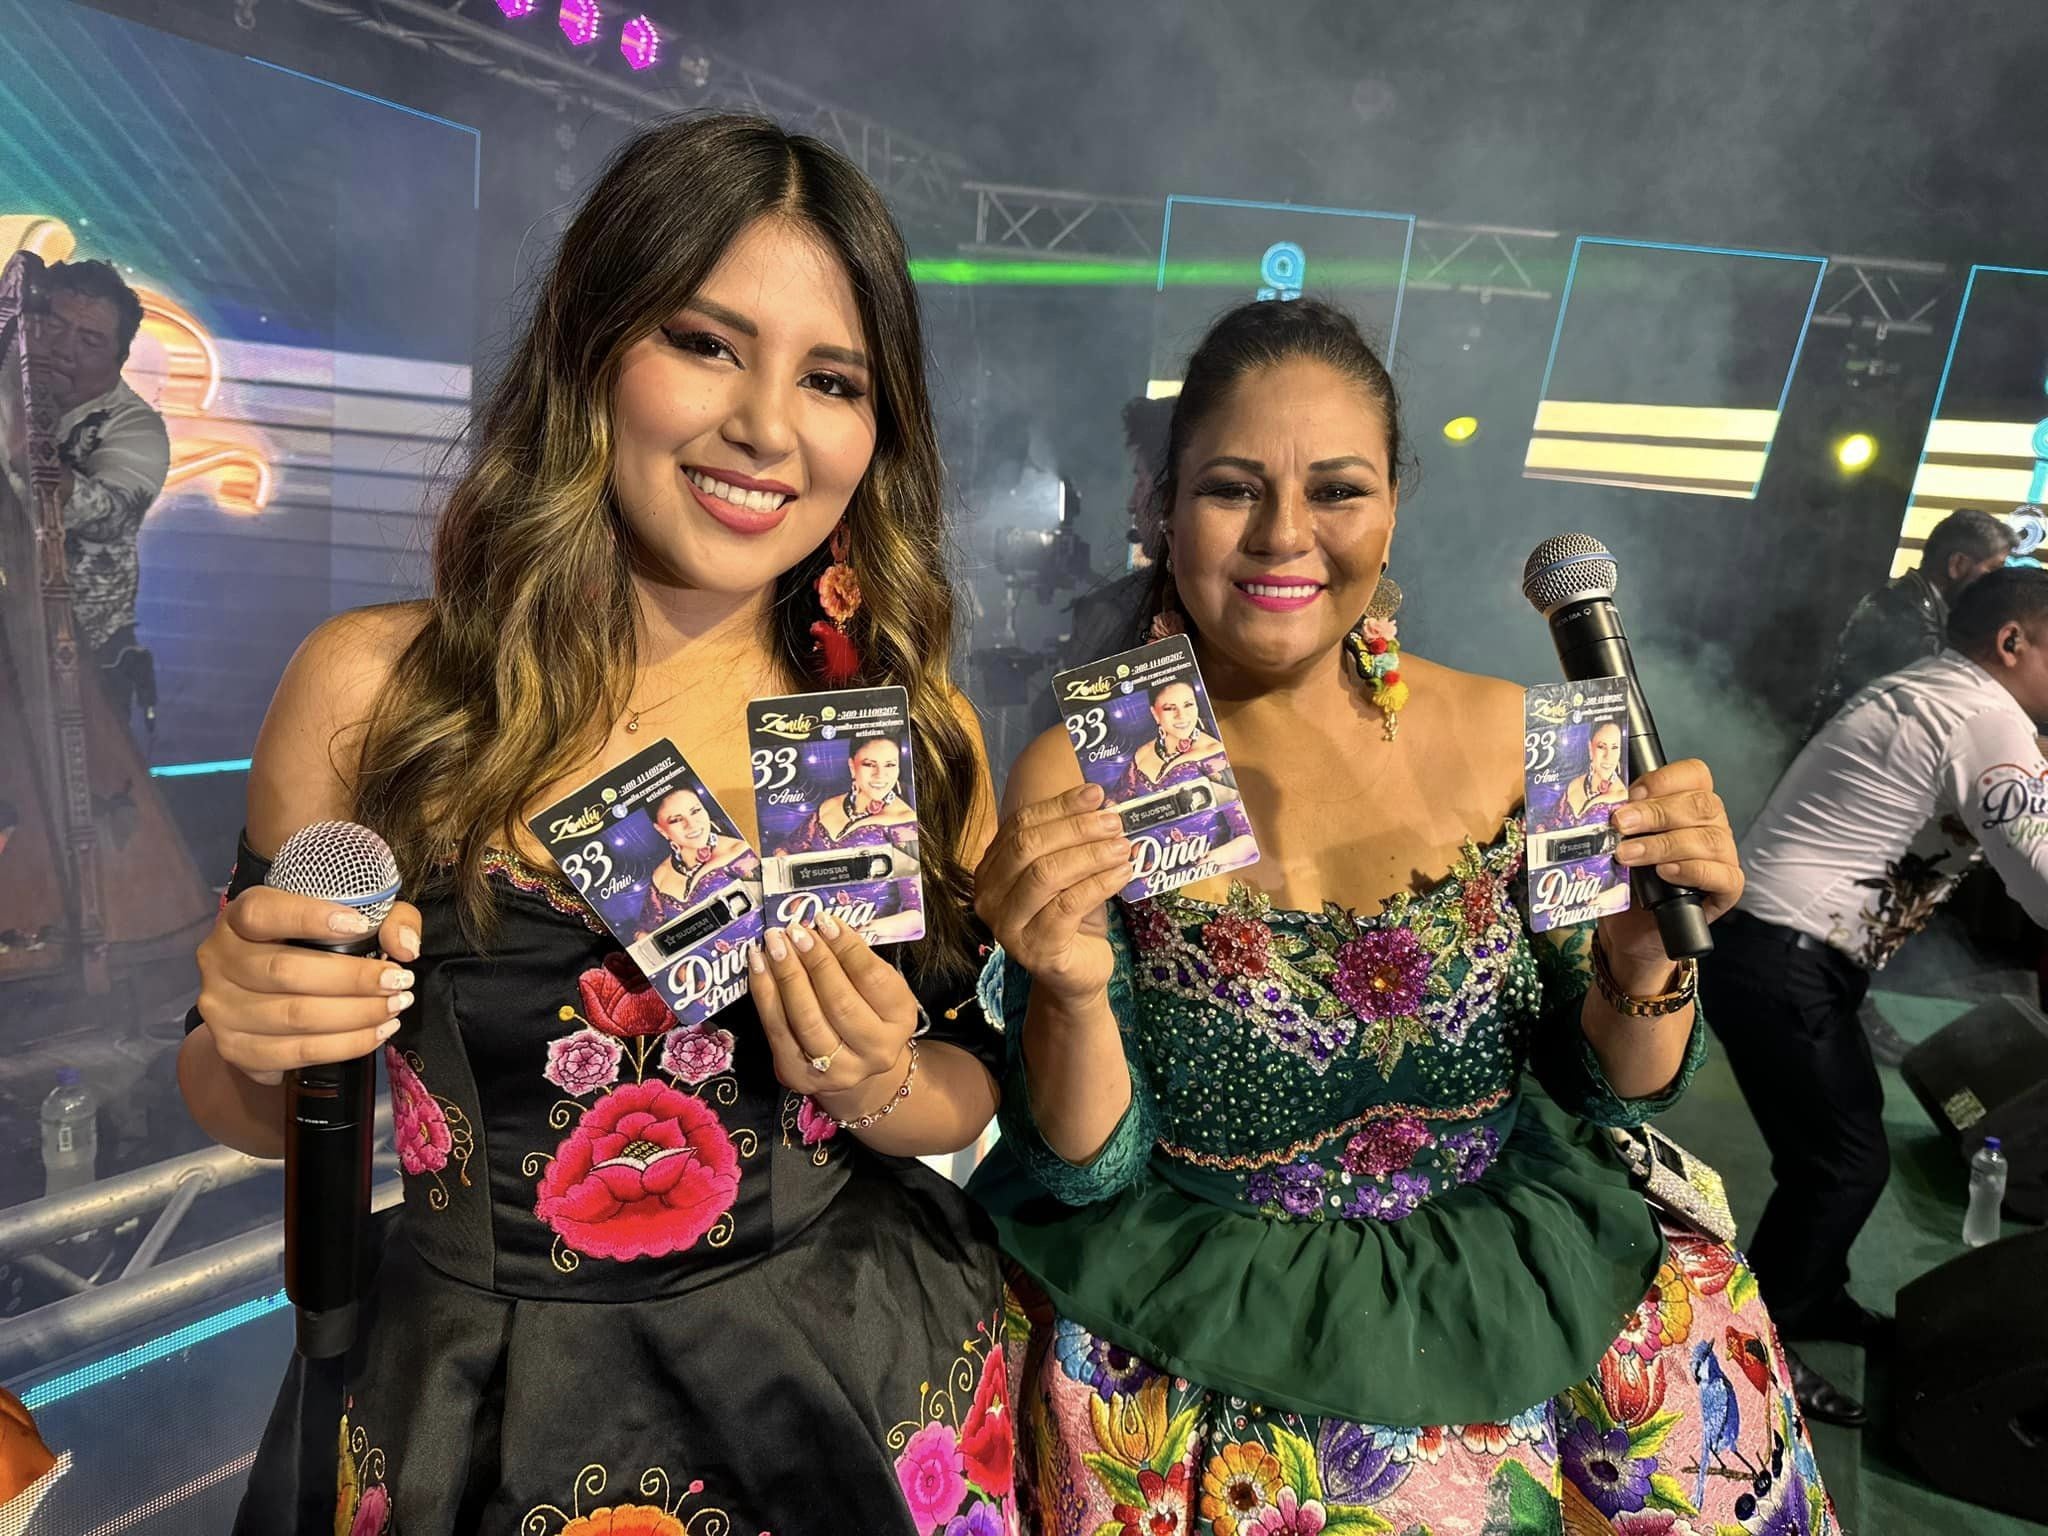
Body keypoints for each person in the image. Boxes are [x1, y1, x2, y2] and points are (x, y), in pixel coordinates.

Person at [178, 115, 1016, 1534]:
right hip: (484, 1408)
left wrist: (879, 1080)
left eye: (831, 379)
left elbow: (969, 1082)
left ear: (879, 431)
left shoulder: (899, 722)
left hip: (854, 1379)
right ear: (590, 345)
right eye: (704, 342)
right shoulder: (377, 693)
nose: (765, 426)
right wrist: (256, 1034)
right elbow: (243, 1102)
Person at [971, 298, 1837, 1534]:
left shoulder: (1516, 732)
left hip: (1519, 1299)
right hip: (1206, 1342)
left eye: (1336, 490)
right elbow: (1089, 1161)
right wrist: (1061, 986)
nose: (1284, 537)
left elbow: (1611, 1088)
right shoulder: (1084, 767)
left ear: (1393, 503)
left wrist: (1642, 953)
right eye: (1229, 488)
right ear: (1162, 510)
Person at [1702, 566, 2048, 1430]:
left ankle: (1810, 1296)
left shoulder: (1940, 692)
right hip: (1785, 953)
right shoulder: (1985, 715)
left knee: (1838, 1151)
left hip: (1778, 947)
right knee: (1843, 1162)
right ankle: (1757, 1348)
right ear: (2012, 642)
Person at [0, 259, 170, 726]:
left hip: (86, 663)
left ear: (119, 360)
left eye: (90, 341)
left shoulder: (137, 428)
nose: (63, 350)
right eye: (52, 327)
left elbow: (109, 514)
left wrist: (25, 444)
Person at [1806, 507, 2012, 737]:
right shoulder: (1905, 614)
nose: (1994, 584)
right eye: (1991, 570)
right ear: (1958, 565)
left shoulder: (1911, 604)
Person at [637, 782, 762, 935]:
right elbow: (644, 933)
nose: (691, 825)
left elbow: (776, 903)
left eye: (695, 811)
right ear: (661, 830)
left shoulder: (739, 853)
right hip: (697, 959)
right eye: (676, 820)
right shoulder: (660, 875)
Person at [1552, 719, 1628, 828]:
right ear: (1590, 748)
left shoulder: (1622, 797)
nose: (1608, 756)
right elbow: (1550, 825)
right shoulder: (1574, 784)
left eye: (1615, 747)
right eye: (1601, 747)